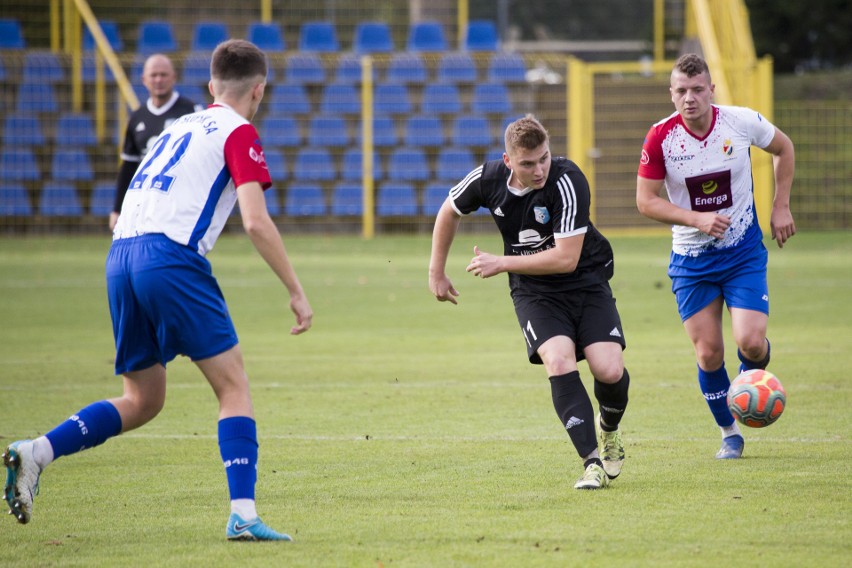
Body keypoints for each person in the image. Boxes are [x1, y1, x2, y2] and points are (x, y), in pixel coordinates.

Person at [4, 39, 313, 541]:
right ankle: (244, 515)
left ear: (211, 87)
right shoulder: (239, 132)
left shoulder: (178, 126)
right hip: (168, 258)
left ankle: (37, 451)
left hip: (120, 256)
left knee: (143, 399)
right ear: (259, 90)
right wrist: (296, 289)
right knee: (233, 386)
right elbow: (256, 222)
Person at [429, 115, 631, 490]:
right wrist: (436, 272)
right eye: (527, 163)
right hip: (535, 293)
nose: (539, 169)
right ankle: (591, 464)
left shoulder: (568, 181)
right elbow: (449, 210)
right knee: (557, 360)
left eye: (544, 158)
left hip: (585, 282)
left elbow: (565, 258)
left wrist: (502, 262)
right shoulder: (487, 179)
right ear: (508, 161)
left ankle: (610, 430)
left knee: (609, 371)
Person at [636, 53, 795, 459]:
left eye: (697, 89)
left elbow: (784, 148)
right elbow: (645, 201)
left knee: (751, 341)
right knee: (708, 352)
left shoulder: (740, 122)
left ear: (711, 90)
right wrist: (695, 218)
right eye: (681, 91)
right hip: (692, 260)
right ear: (671, 95)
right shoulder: (660, 138)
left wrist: (780, 206)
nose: (689, 98)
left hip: (741, 251)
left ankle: (751, 374)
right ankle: (729, 433)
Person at [109, 53, 203, 230]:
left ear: (174, 77)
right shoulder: (137, 117)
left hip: (181, 202)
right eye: (154, 75)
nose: (158, 79)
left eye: (163, 74)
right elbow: (129, 165)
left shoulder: (193, 112)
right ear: (144, 80)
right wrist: (117, 209)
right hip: (146, 202)